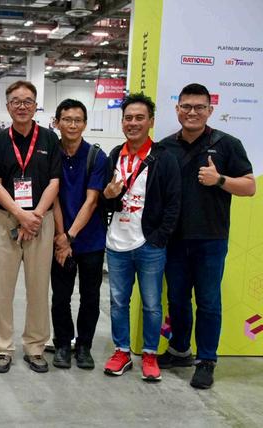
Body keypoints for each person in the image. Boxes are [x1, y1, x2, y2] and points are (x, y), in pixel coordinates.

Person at [159, 83, 256, 389]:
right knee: (177, 299)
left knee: (209, 301)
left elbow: (250, 186)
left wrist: (220, 179)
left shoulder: (227, 144)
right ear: (177, 109)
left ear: (210, 110)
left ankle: (206, 360)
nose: (192, 112)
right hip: (174, 239)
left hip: (211, 238)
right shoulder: (165, 147)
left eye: (199, 107)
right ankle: (179, 350)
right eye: (186, 106)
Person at [0, 80, 61, 373]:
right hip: (6, 222)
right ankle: (3, 348)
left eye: (28, 101)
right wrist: (20, 214)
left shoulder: (50, 140)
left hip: (41, 223)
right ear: (8, 107)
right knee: (1, 290)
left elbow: (54, 182)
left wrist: (34, 216)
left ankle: (35, 347)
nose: (22, 106)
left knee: (38, 289)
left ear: (36, 105)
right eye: (16, 101)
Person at [102, 93, 181, 382]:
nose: (133, 123)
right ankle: (121, 351)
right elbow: (107, 199)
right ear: (122, 122)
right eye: (128, 118)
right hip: (117, 242)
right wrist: (108, 196)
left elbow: (174, 204)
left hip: (149, 245)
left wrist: (158, 239)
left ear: (150, 121)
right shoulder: (115, 155)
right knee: (118, 301)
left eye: (139, 118)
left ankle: (149, 354)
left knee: (151, 304)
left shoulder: (164, 158)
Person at [50, 99, 107, 370]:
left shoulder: (97, 156)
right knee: (60, 296)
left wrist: (69, 237)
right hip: (60, 238)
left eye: (77, 120)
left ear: (84, 124)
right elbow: (53, 198)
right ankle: (63, 344)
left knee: (90, 296)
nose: (72, 125)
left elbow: (92, 200)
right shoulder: (51, 154)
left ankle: (84, 346)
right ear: (57, 122)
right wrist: (61, 237)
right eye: (66, 119)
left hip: (90, 240)